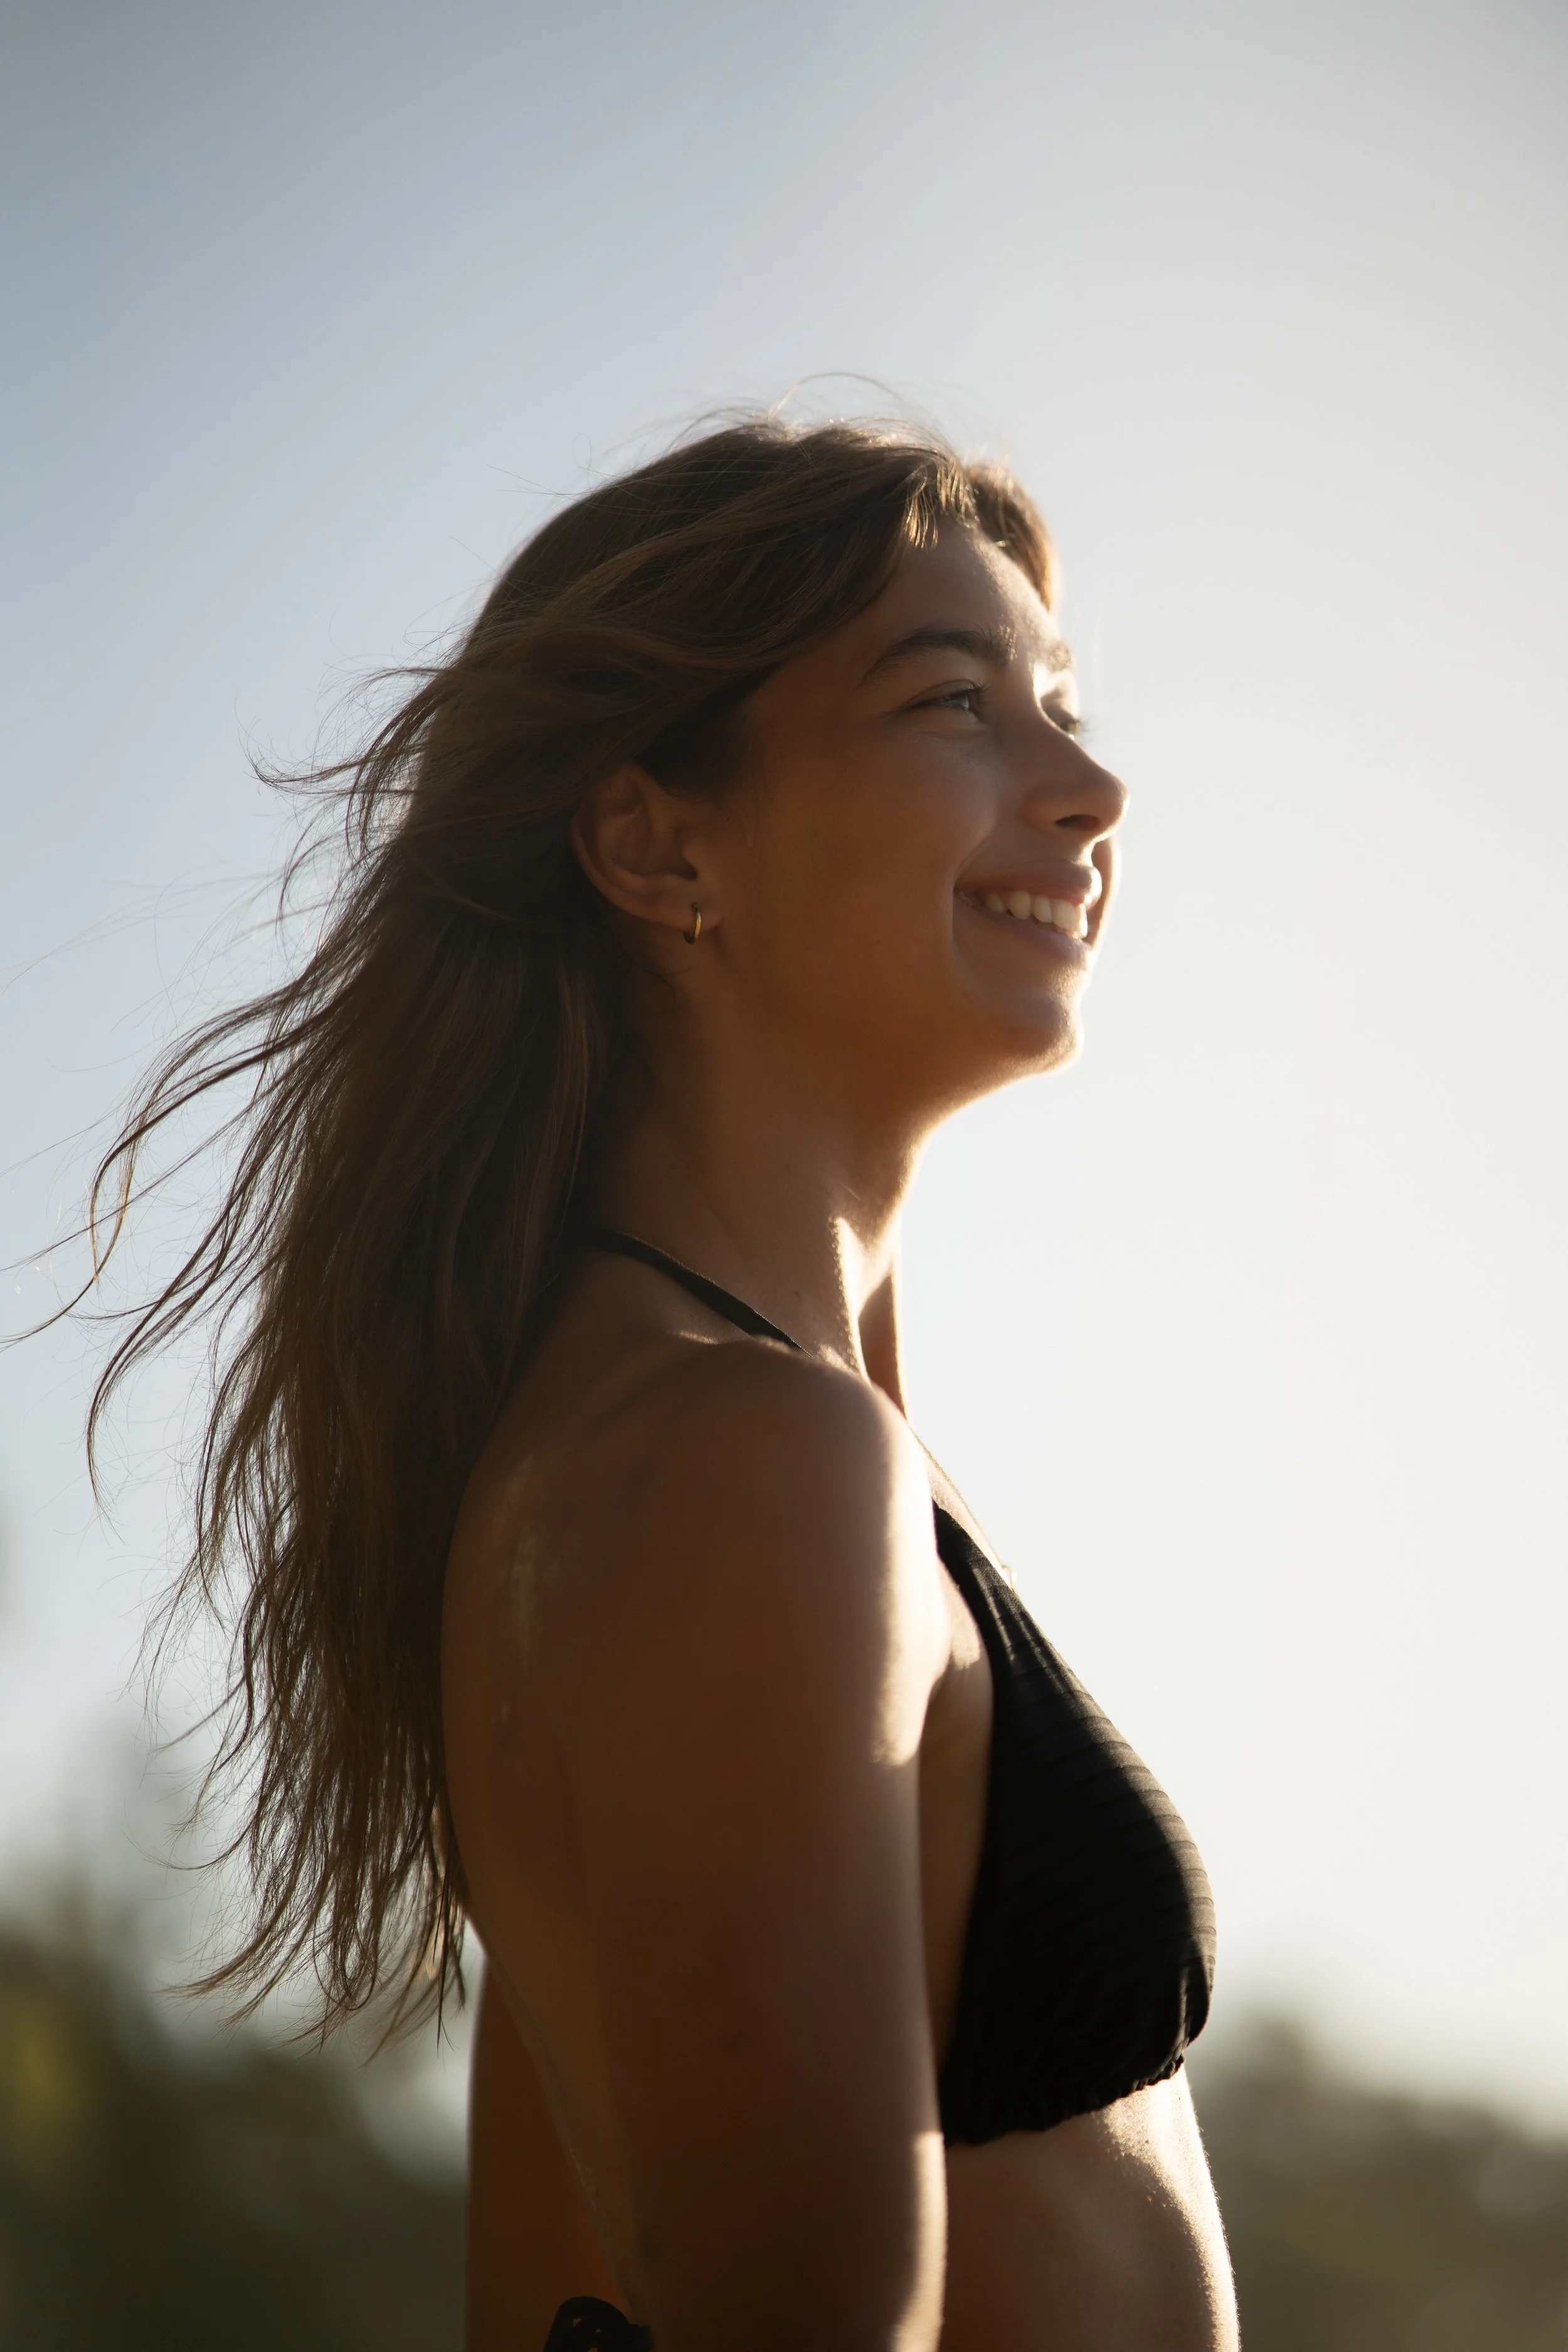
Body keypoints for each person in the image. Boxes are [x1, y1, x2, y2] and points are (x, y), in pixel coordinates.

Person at [87, 416, 1236, 2351]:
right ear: (651, 839)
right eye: (959, 701)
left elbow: (550, 2302)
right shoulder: (749, 1464)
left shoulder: (706, 1456)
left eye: (1063, 702)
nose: (1090, 782)